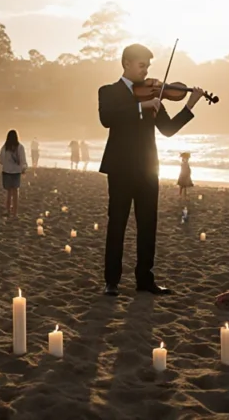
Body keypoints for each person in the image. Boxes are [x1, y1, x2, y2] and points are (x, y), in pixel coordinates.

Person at [98, 43, 204, 296]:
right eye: (141, 66)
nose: (146, 72)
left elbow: (168, 130)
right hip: (120, 169)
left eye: (148, 66)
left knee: (148, 225)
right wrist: (139, 108)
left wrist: (190, 105)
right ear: (126, 64)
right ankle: (112, 281)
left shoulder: (152, 95)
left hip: (148, 169)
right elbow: (107, 119)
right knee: (117, 225)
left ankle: (145, 280)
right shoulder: (109, 91)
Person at [0, 129, 28, 217]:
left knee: (9, 193)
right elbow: (23, 160)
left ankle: (8, 210)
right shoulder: (20, 147)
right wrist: (23, 169)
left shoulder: (5, 147)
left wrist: (7, 164)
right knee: (15, 192)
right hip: (16, 172)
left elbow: (0, 159)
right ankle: (15, 212)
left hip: (6, 171)